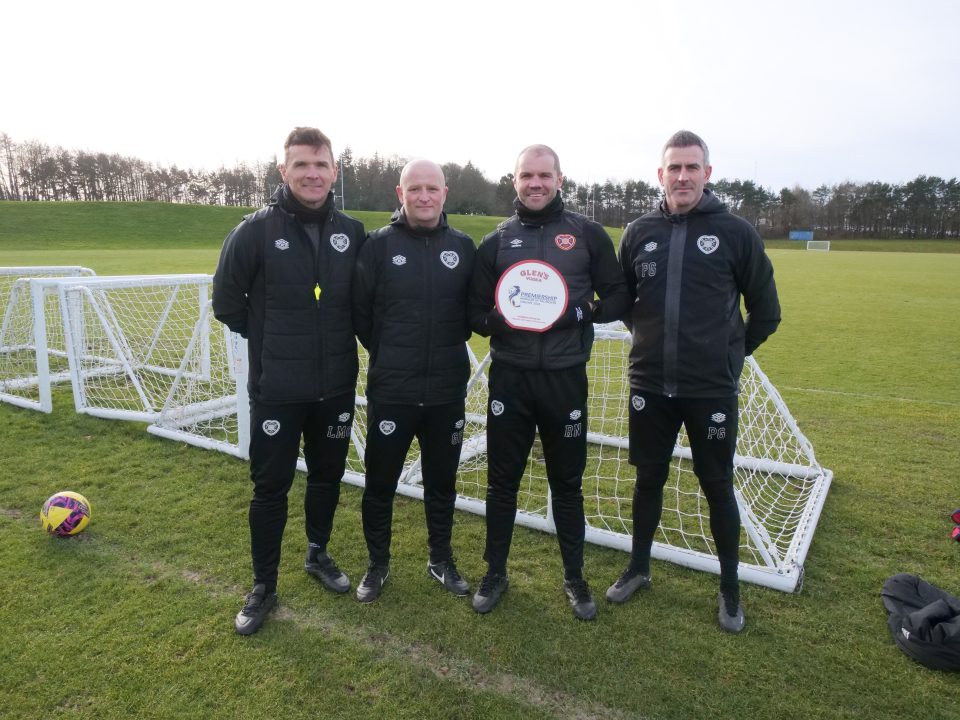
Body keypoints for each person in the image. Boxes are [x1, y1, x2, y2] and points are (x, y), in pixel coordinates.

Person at [610, 130, 781, 633]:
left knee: (717, 485)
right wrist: (653, 345)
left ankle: (729, 589)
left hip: (711, 390)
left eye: (691, 167)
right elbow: (627, 305)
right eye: (673, 168)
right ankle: (639, 567)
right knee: (648, 479)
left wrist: (726, 359)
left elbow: (766, 314)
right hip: (649, 386)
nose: (682, 176)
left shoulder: (736, 233)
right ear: (659, 175)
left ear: (708, 173)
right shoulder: (638, 231)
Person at [213, 127, 366, 635]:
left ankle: (317, 553)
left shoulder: (352, 232)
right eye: (301, 165)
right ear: (284, 171)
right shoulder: (255, 231)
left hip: (337, 385)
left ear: (334, 171)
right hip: (278, 387)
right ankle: (263, 585)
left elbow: (363, 306)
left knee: (327, 477)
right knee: (270, 487)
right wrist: (271, 339)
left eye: (320, 164)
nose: (312, 173)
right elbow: (227, 304)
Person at [467, 145, 630, 620]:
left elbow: (618, 294)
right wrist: (502, 320)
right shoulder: (497, 241)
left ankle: (575, 578)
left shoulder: (586, 234)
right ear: (514, 181)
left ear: (560, 179)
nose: (535, 183)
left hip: (564, 381)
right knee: (501, 483)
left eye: (544, 175)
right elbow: (475, 313)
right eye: (526, 176)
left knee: (567, 483)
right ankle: (495, 572)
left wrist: (582, 312)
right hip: (511, 381)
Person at [351, 159, 476, 603]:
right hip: (393, 390)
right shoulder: (378, 246)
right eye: (415, 188)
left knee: (442, 483)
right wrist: (391, 353)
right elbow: (361, 315)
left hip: (445, 391)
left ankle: (440, 560)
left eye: (432, 188)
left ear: (445, 193)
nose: (424, 196)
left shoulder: (463, 246)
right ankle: (377, 565)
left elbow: (469, 317)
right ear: (399, 193)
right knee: (380, 482)